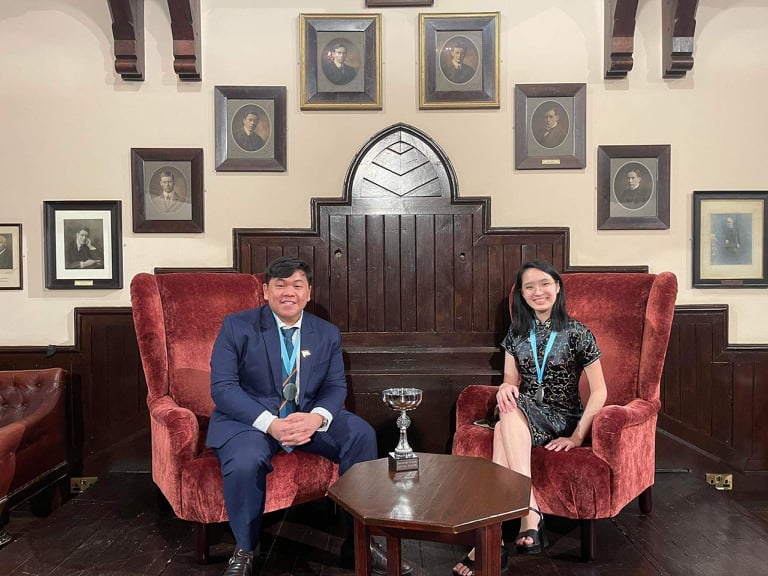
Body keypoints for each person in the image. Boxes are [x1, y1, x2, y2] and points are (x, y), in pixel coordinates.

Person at [207, 257, 413, 576]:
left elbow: (334, 385)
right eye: (280, 285)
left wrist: (317, 418)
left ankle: (357, 543)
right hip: (251, 422)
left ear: (308, 292)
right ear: (265, 291)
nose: (289, 292)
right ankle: (245, 549)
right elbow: (223, 388)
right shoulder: (237, 326)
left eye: (297, 285)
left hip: (307, 419)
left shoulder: (326, 332)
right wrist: (272, 424)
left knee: (361, 435)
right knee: (246, 461)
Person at [452, 260, 607, 576]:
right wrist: (505, 390)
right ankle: (529, 513)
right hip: (524, 413)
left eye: (545, 284)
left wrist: (577, 436)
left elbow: (600, 392)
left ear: (557, 287)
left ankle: (488, 544)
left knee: (503, 425)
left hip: (563, 415)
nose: (538, 291)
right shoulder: (516, 333)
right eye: (529, 287)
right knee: (507, 411)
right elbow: (510, 380)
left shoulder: (577, 332)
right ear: (521, 295)